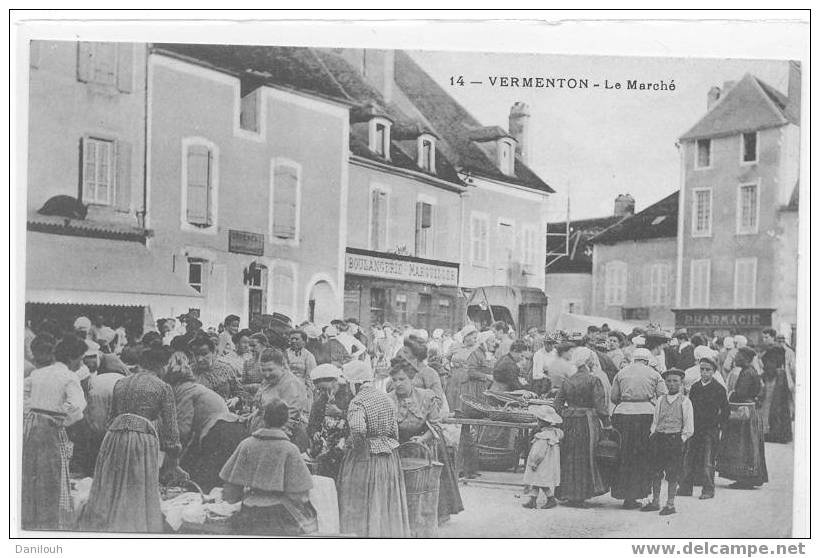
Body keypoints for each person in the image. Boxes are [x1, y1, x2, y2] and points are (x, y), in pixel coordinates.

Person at [80, 347, 184, 533]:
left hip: (113, 437)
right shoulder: (163, 387)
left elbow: (110, 419)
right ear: (163, 365)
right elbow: (171, 431)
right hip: (141, 439)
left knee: (112, 483)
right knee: (136, 486)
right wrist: (174, 460)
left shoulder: (121, 383)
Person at [220, 399, 318, 536]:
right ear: (285, 421)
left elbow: (231, 491)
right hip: (279, 515)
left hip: (248, 512)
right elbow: (300, 495)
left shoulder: (246, 444)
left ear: (264, 418)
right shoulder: (289, 449)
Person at [387, 361, 463, 531]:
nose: (397, 383)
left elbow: (435, 425)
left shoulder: (426, 396)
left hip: (423, 444)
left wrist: (422, 439)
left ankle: (427, 520)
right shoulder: (388, 399)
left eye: (402, 379)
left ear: (412, 379)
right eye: (394, 380)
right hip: (398, 446)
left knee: (425, 488)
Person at [338, 360, 410, 537]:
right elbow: (394, 430)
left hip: (367, 457)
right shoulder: (386, 398)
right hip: (388, 457)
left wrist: (358, 449)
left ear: (355, 383)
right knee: (384, 498)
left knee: (362, 498)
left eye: (348, 384)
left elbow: (357, 428)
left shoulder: (358, 401)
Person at [22, 335, 87, 530]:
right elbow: (77, 405)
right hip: (51, 428)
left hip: (31, 427)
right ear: (71, 358)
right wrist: (61, 419)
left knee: (31, 473)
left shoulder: (38, 373)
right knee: (51, 477)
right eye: (80, 358)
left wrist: (31, 412)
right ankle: (48, 523)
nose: (81, 363)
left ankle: (29, 518)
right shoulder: (69, 376)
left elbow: (21, 394)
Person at [165, 355, 246, 492]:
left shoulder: (183, 391)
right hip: (231, 427)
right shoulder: (195, 388)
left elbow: (183, 430)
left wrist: (171, 459)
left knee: (205, 483)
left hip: (219, 431)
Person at [551, 344, 610, 507]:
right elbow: (600, 405)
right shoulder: (594, 380)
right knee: (585, 457)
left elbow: (557, 404)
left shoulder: (567, 381)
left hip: (569, 421)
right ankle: (581, 495)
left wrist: (566, 414)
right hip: (587, 421)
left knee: (569, 456)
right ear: (587, 362)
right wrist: (607, 424)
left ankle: (568, 493)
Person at [610, 347, 668, 509]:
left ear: (633, 359)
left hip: (623, 415)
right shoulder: (654, 374)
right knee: (642, 455)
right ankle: (638, 492)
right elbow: (662, 396)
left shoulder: (621, 373)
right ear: (648, 359)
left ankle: (625, 495)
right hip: (645, 416)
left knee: (624, 454)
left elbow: (614, 397)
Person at [642, 368, 693, 515]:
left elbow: (689, 426)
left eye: (675, 381)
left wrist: (681, 439)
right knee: (656, 471)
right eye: (669, 381)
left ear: (681, 383)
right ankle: (655, 501)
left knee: (673, 472)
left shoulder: (685, 402)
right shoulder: (660, 400)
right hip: (659, 438)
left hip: (674, 439)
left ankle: (670, 504)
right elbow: (655, 421)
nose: (671, 384)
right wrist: (653, 434)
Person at [445, 324, 492, 478]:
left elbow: (482, 368)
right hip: (454, 384)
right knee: (456, 425)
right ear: (464, 337)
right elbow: (446, 359)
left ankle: (468, 466)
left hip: (469, 387)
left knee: (468, 425)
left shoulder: (478, 350)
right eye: (470, 335)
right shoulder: (455, 347)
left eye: (475, 335)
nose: (473, 338)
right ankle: (457, 465)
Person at [717, 347, 768, 489]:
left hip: (744, 412)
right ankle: (749, 477)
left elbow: (740, 393)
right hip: (750, 410)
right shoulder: (751, 371)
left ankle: (744, 478)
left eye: (738, 356)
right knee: (748, 445)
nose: (736, 358)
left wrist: (730, 395)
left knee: (742, 445)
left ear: (745, 358)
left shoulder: (746, 373)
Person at [679, 356, 729, 499]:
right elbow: (690, 407)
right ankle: (685, 488)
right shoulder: (695, 387)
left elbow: (725, 410)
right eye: (702, 369)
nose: (704, 373)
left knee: (708, 461)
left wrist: (718, 424)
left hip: (710, 429)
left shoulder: (718, 388)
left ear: (713, 372)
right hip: (695, 428)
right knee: (689, 458)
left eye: (708, 370)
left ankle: (708, 490)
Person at [251, 348, 310, 452]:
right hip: (264, 431)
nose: (267, 374)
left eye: (270, 370)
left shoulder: (291, 384)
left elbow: (289, 418)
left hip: (284, 437)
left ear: (282, 366)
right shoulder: (268, 380)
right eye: (263, 370)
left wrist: (268, 440)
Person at [307, 364, 353, 480]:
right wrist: (314, 433)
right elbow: (312, 424)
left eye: (325, 388)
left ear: (335, 381)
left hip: (346, 450)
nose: (323, 392)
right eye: (320, 389)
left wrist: (340, 413)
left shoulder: (350, 397)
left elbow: (357, 422)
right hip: (325, 451)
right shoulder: (320, 401)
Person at [521, 405, 563, 510]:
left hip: (541, 463)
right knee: (536, 481)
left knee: (541, 482)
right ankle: (533, 500)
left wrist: (534, 462)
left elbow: (538, 453)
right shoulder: (553, 434)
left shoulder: (543, 437)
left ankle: (551, 498)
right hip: (549, 463)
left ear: (541, 422)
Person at [189, 335, 248, 410]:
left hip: (224, 414)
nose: (200, 359)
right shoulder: (188, 373)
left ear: (213, 352)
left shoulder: (226, 369)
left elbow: (241, 392)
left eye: (204, 354)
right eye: (196, 355)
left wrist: (236, 399)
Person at [758, 328, 792, 443]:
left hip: (773, 378)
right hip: (779, 377)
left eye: (766, 337)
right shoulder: (777, 349)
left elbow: (770, 366)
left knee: (772, 405)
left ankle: (773, 433)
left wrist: (763, 372)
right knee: (778, 406)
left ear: (773, 337)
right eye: (763, 337)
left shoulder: (774, 349)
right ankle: (780, 433)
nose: (764, 339)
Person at [286, 329, 318, 410]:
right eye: (291, 339)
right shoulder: (284, 353)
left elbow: (311, 377)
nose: (293, 341)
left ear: (304, 341)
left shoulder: (309, 356)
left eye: (296, 339)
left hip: (302, 389)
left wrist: (309, 392)